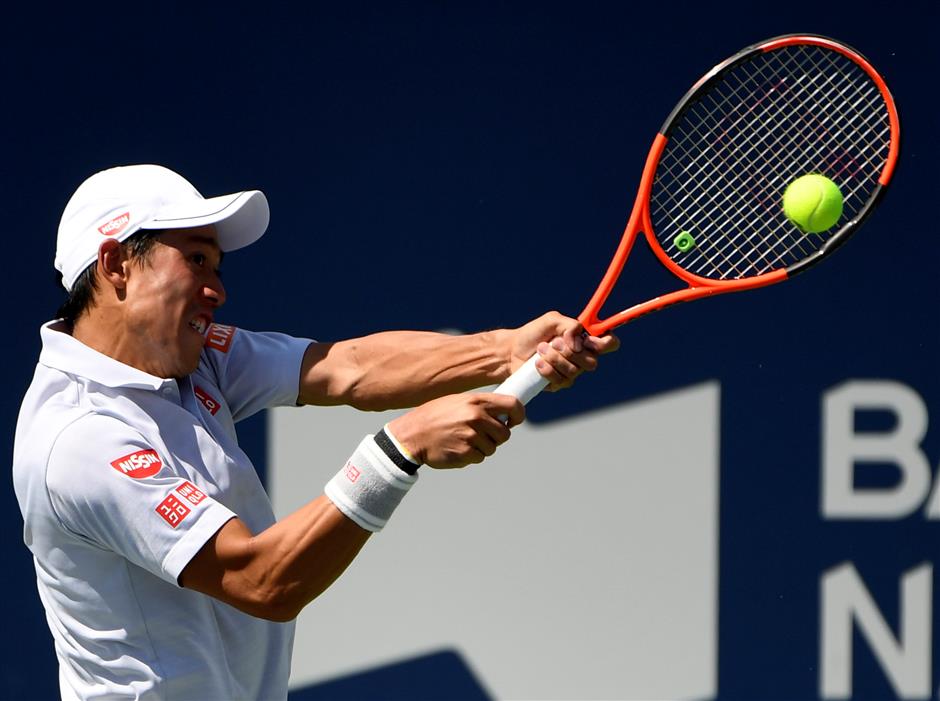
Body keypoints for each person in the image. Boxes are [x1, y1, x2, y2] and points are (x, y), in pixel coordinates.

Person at [13, 164, 618, 700]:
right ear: (116, 264)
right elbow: (261, 579)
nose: (217, 290)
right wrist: (400, 448)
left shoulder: (190, 355)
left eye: (217, 267)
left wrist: (503, 349)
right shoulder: (80, 440)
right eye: (195, 259)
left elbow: (348, 368)